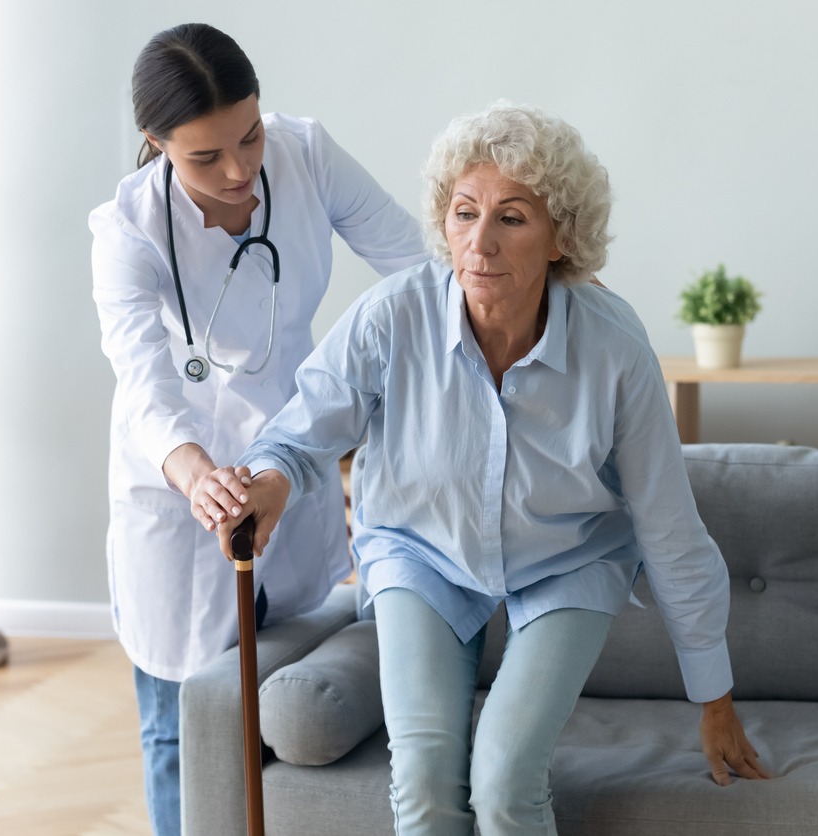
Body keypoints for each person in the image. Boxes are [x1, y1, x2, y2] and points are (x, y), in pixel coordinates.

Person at [213, 101, 770, 835]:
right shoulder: (391, 317)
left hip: (568, 559)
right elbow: (300, 432)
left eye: (511, 218)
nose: (479, 243)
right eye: (464, 213)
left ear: (560, 239)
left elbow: (668, 523)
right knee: (424, 780)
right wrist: (268, 485)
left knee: (505, 778)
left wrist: (716, 698)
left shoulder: (613, 347)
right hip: (421, 552)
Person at [88, 23, 428, 836]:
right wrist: (196, 470)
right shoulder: (128, 228)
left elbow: (415, 269)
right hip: (176, 487)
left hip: (293, 452)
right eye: (206, 157)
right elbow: (142, 378)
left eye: (249, 136)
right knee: (180, 724)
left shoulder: (306, 154)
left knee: (285, 698)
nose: (241, 170)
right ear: (156, 142)